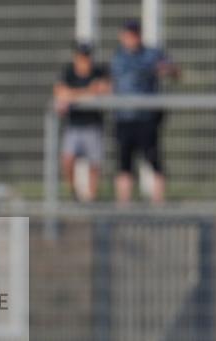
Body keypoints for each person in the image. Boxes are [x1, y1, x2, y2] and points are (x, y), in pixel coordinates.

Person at [110, 19, 178, 205]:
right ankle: (123, 206)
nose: (131, 39)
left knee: (154, 160)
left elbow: (173, 69)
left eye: (135, 35)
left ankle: (158, 203)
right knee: (124, 164)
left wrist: (166, 69)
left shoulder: (152, 54)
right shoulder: (117, 57)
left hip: (147, 119)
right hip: (124, 118)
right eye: (128, 35)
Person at [54, 42, 111, 203]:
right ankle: (73, 193)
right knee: (67, 159)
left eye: (87, 56)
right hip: (74, 125)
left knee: (94, 163)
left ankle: (92, 197)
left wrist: (73, 96)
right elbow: (61, 93)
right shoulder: (68, 72)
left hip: (93, 125)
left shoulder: (98, 72)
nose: (84, 60)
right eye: (81, 56)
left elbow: (105, 90)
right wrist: (87, 92)